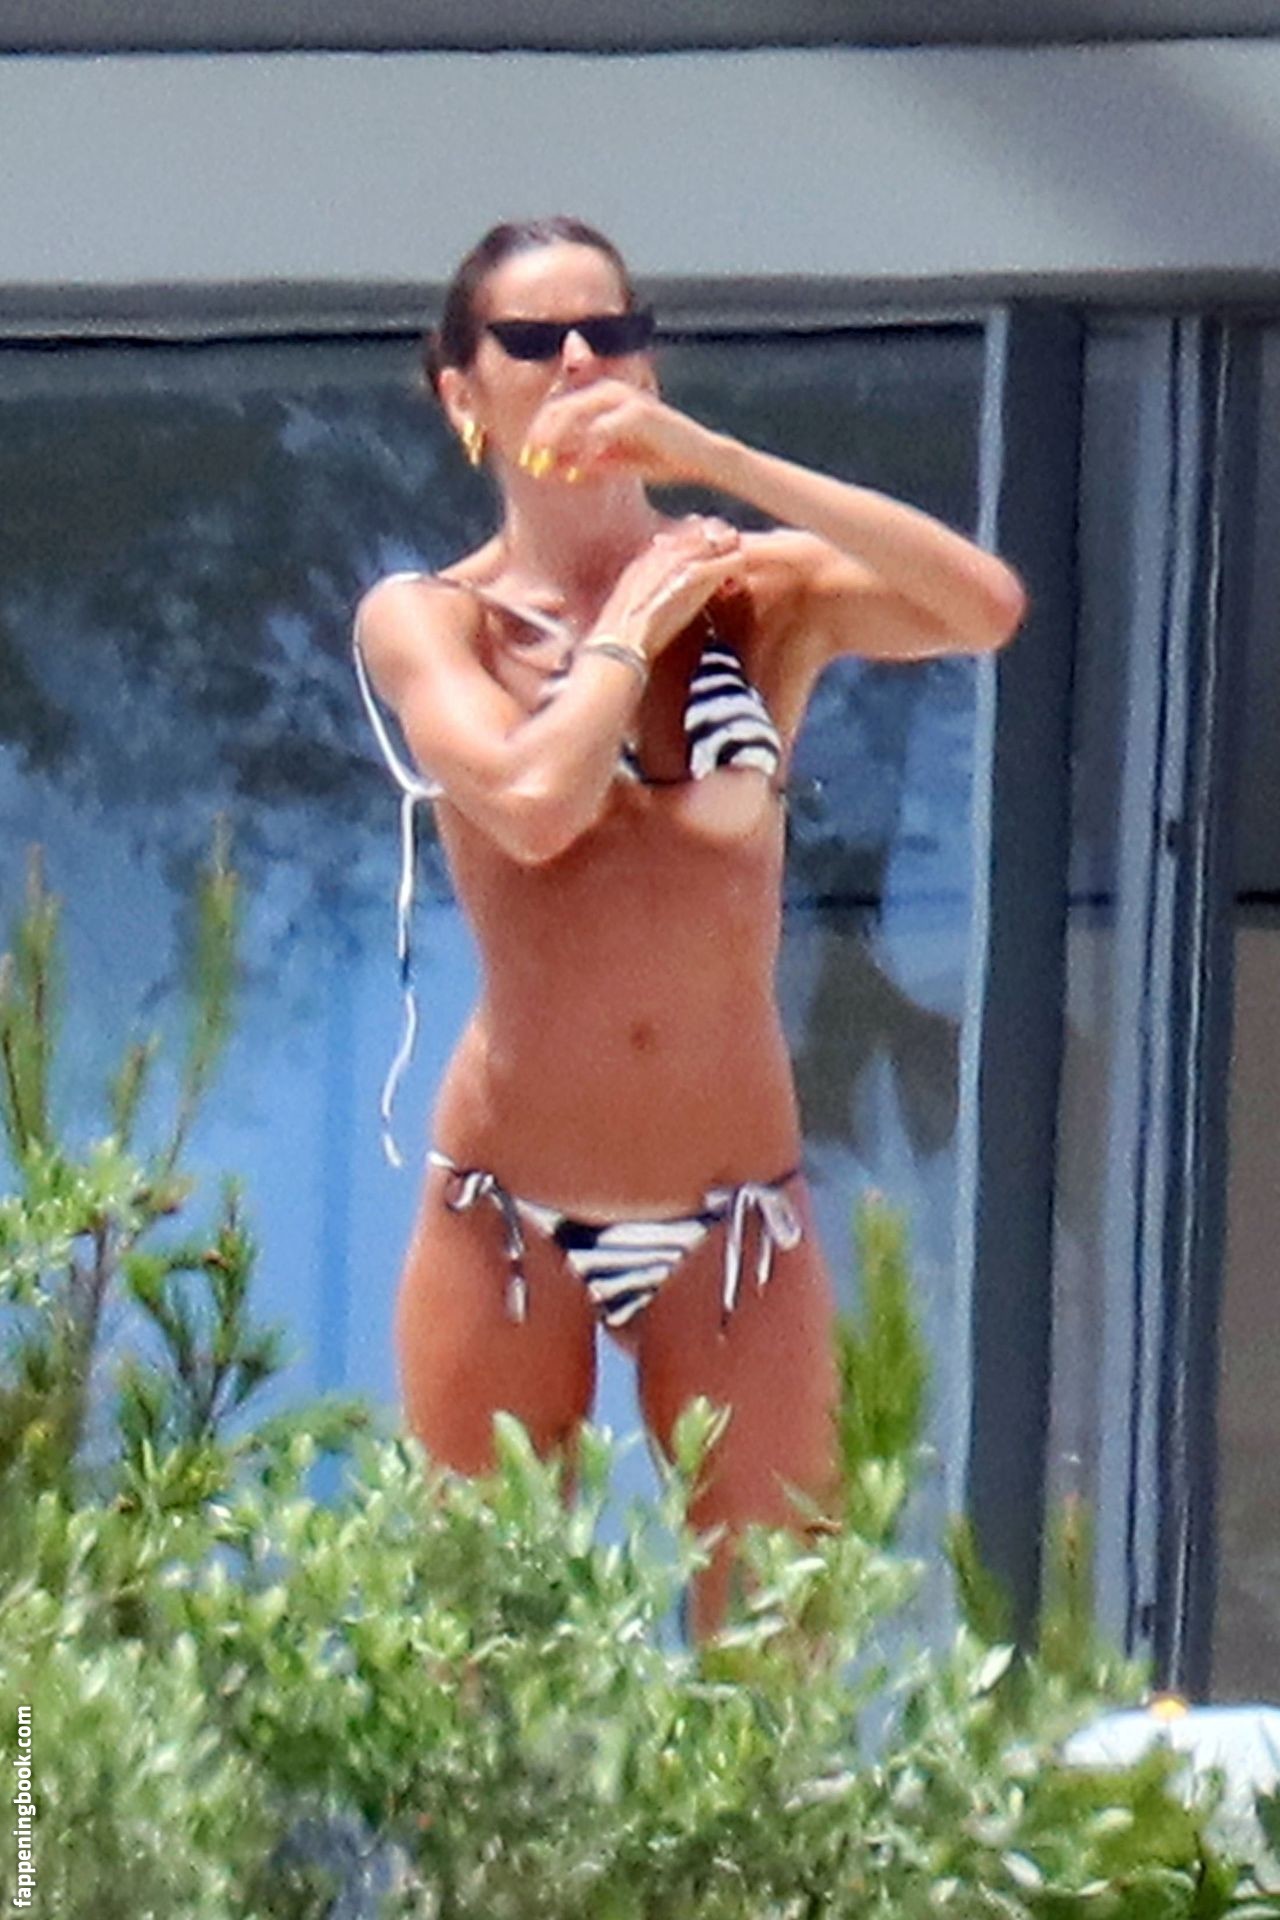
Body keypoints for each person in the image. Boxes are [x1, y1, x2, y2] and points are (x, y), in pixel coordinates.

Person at [354, 216, 1026, 1633]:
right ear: (463, 392)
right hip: (507, 1208)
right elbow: (531, 803)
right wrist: (625, 635)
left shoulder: (750, 591)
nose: (581, 361)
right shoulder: (433, 619)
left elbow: (981, 607)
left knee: (777, 1647)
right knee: (480, 1660)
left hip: (735, 1214)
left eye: (613, 331)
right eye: (534, 340)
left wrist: (717, 463)